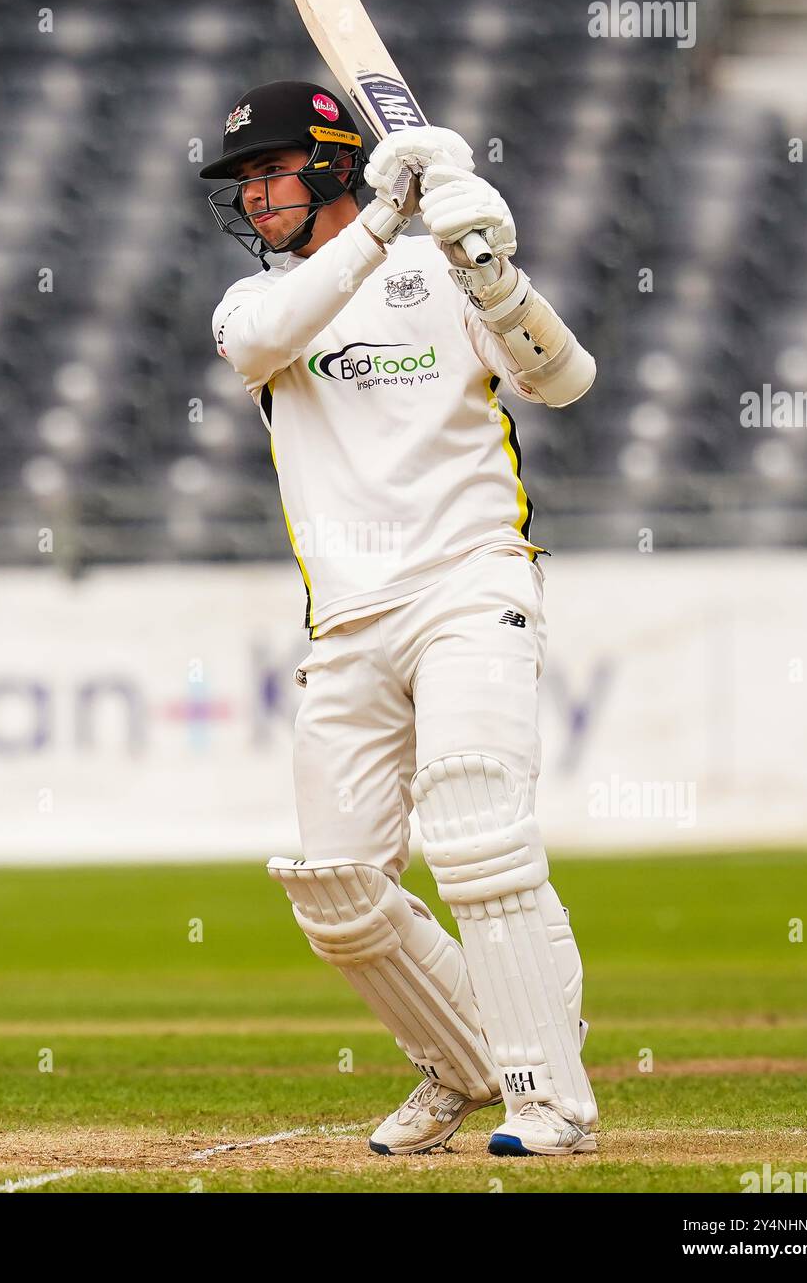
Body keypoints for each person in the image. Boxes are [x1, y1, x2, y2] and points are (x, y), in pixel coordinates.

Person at [200, 80, 599, 1156]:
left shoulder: (443, 271)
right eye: (241, 182)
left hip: (470, 583)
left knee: (476, 833)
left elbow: (562, 379)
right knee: (334, 890)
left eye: (268, 171)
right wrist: (386, 220)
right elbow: (262, 341)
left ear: (331, 160)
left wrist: (491, 272)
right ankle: (463, 1064)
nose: (252, 198)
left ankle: (545, 1095)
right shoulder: (254, 305)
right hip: (346, 622)